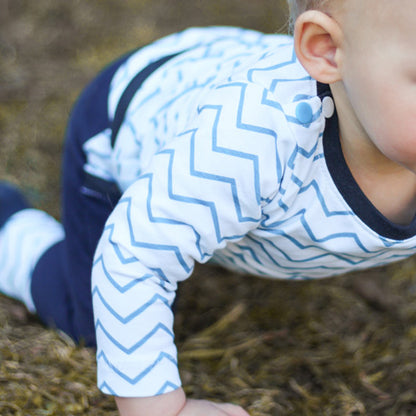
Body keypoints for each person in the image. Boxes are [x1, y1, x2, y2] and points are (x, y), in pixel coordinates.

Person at [1, 0, 415, 414]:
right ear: (326, 49)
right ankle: (10, 227)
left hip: (222, 63)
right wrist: (163, 409)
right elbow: (133, 256)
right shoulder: (253, 141)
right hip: (129, 117)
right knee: (97, 320)